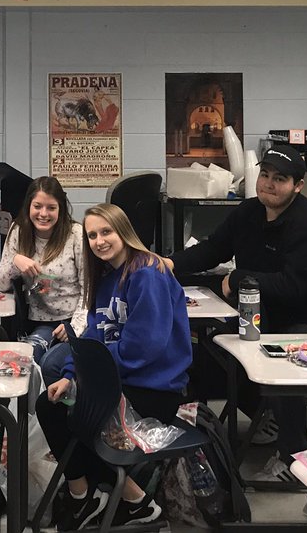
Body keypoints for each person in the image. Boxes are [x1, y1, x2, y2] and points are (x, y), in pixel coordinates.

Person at [169, 144, 307, 480]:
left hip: (294, 321)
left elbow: (293, 287)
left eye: (279, 179)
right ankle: (248, 422)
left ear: (298, 185)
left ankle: (293, 458)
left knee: (283, 369)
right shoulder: (248, 212)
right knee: (207, 356)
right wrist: (169, 264)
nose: (268, 183)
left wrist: (238, 278)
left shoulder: (306, 225)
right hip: (253, 313)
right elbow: (213, 249)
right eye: (265, 175)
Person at [37, 204, 191, 531]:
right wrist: (70, 376)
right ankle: (90, 496)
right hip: (120, 382)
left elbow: (143, 349)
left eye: (106, 231)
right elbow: (92, 338)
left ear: (123, 231)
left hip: (153, 389)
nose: (99, 241)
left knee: (78, 417)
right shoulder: (106, 279)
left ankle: (125, 499)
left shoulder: (148, 273)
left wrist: (88, 379)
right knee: (50, 404)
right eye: (92, 235)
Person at [0, 176, 86, 383]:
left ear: (61, 209)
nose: (43, 214)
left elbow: (89, 288)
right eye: (38, 206)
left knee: (50, 364)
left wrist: (76, 327)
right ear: (29, 206)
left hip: (72, 321)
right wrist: (15, 260)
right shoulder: (19, 230)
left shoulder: (75, 234)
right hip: (39, 322)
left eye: (51, 208)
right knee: (22, 361)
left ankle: (56, 413)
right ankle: (20, 415)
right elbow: (1, 283)